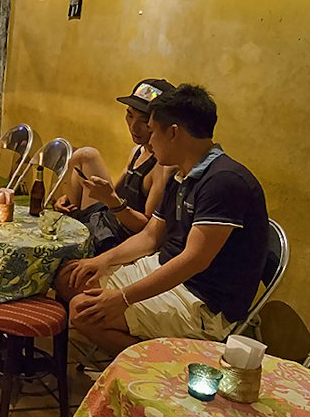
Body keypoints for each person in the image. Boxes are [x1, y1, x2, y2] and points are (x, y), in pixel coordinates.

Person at [55, 84, 268, 356]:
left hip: (201, 301)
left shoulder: (224, 181)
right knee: (70, 277)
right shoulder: (181, 174)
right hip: (162, 270)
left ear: (174, 132)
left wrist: (122, 298)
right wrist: (100, 261)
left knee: (83, 312)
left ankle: (163, 368)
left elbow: (194, 260)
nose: (149, 141)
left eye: (153, 131)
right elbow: (151, 236)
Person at [55, 78, 175, 254]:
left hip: (120, 237)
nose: (134, 127)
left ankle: (72, 244)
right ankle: (68, 216)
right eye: (130, 115)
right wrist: (68, 197)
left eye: (144, 120)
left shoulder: (163, 166)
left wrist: (112, 202)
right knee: (85, 155)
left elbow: (147, 230)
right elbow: (114, 192)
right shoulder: (137, 151)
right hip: (107, 218)